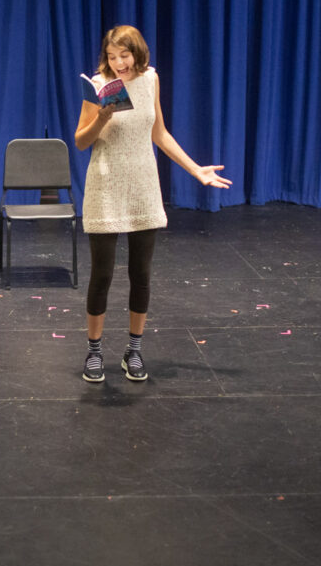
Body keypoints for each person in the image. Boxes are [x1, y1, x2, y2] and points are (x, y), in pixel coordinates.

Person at [74, 25, 231, 383]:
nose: (119, 63)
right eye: (112, 57)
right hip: (106, 185)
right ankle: (94, 351)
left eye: (124, 56)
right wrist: (102, 117)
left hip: (143, 185)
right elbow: (81, 141)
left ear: (137, 53)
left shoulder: (150, 80)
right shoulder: (98, 86)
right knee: (102, 274)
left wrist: (196, 170)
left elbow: (158, 133)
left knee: (140, 273)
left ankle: (134, 350)